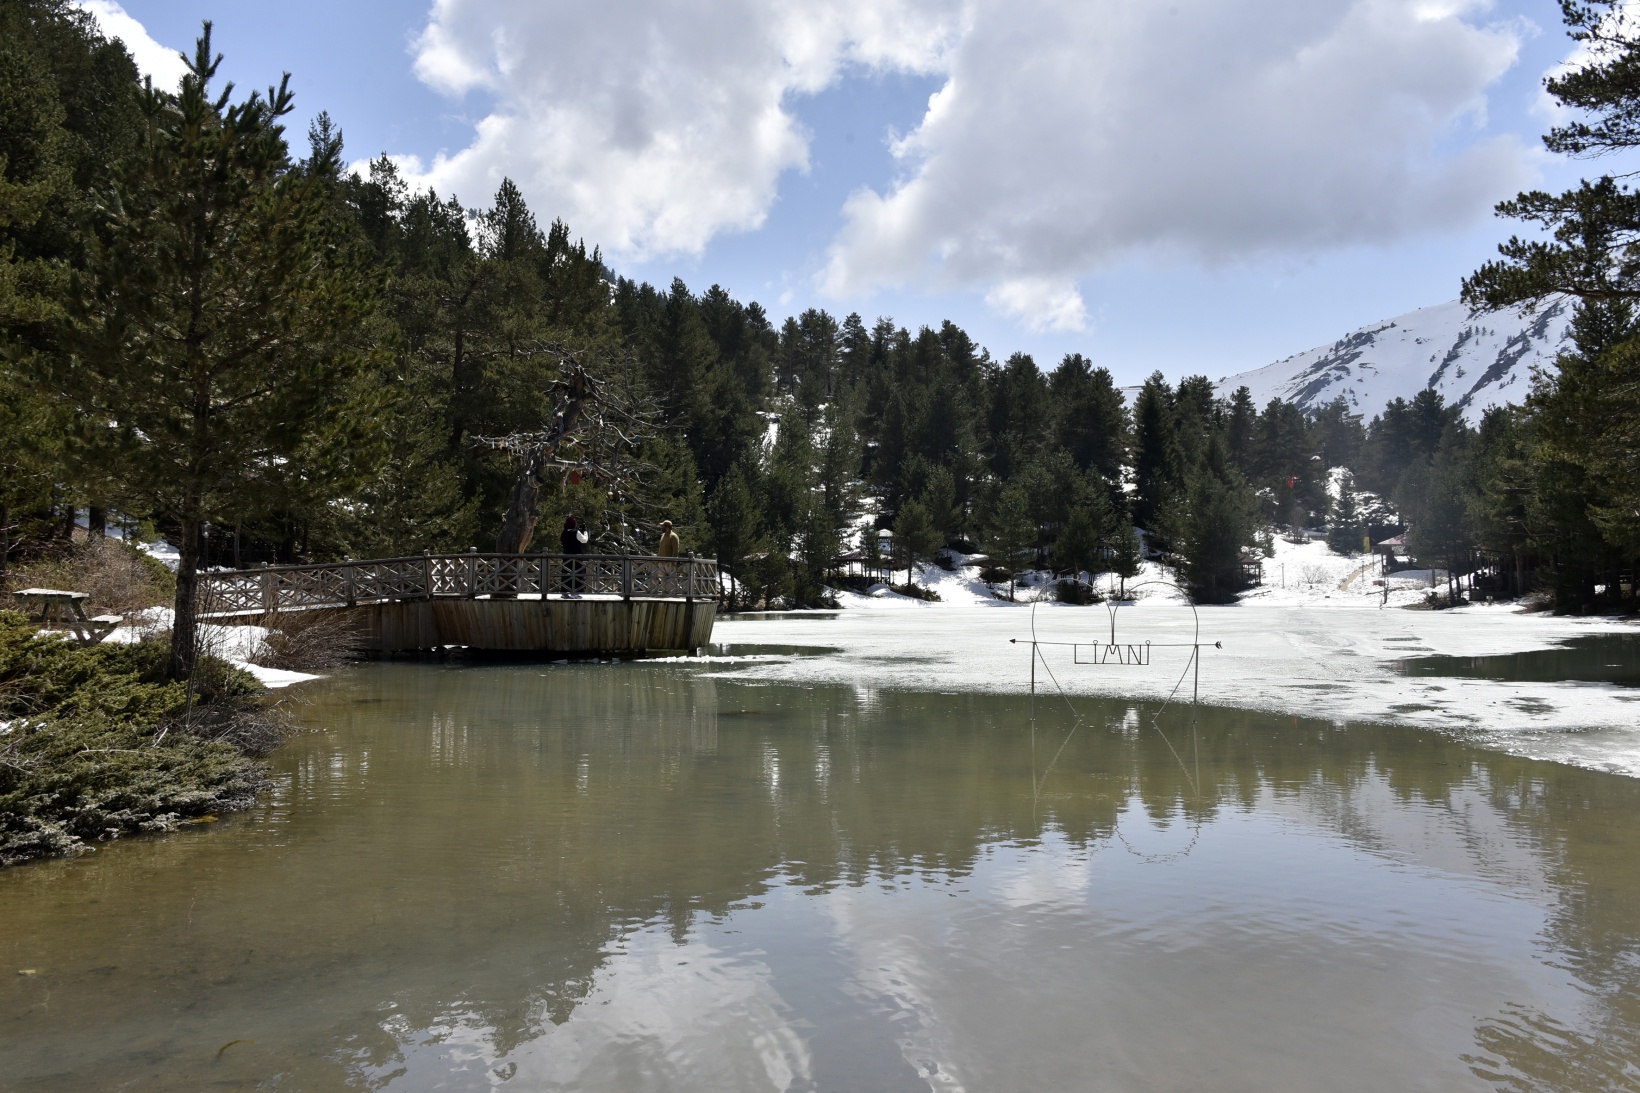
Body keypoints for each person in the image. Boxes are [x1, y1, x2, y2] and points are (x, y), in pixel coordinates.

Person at [560, 515, 588, 598]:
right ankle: (575, 593)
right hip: (576, 557)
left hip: (566, 557)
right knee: (577, 574)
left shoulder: (564, 533)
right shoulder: (575, 532)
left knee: (566, 574)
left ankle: (564, 592)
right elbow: (584, 540)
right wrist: (585, 532)